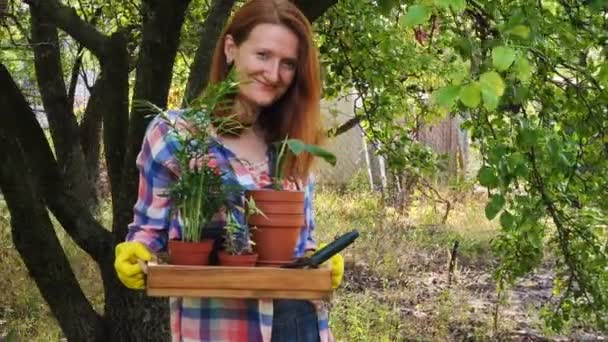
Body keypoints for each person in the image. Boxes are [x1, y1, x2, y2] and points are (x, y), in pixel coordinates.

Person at [113, 1, 344, 341]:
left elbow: (302, 242)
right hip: (217, 327)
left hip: (296, 324)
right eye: (263, 55)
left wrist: (318, 261)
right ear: (231, 49)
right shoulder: (177, 135)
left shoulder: (291, 143)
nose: (273, 73)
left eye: (288, 64)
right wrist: (136, 251)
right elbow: (150, 230)